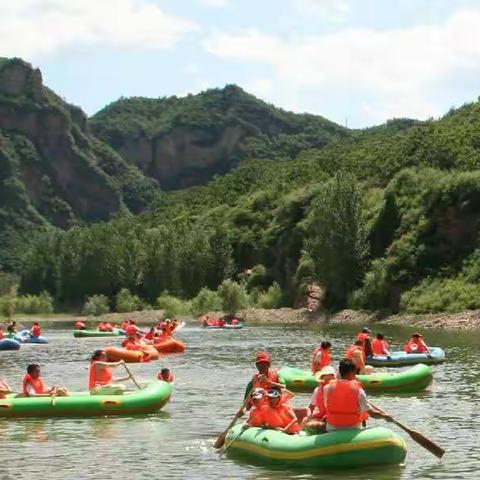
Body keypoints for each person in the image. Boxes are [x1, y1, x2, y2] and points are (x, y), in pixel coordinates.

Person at [324, 359, 391, 431]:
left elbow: (326, 405)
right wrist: (384, 416)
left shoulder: (327, 388)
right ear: (353, 372)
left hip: (332, 427)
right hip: (352, 427)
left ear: (340, 372)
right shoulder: (359, 391)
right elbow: (372, 414)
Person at [302, 365, 336, 433]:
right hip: (320, 416)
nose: (328, 383)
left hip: (331, 418)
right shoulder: (317, 390)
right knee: (305, 420)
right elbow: (311, 407)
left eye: (330, 380)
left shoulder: (336, 390)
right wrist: (309, 415)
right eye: (326, 380)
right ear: (322, 379)